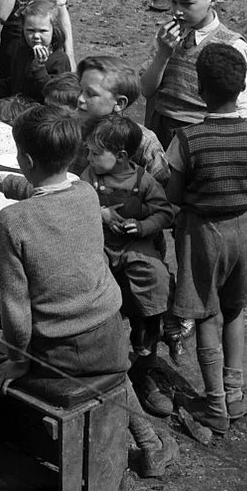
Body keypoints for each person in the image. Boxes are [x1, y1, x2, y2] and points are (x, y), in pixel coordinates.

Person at [0, 106, 179, 479]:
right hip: (111, 336)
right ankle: (151, 443)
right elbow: (39, 190)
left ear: (25, 158)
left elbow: (15, 307)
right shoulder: (85, 192)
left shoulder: (12, 221)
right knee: (110, 370)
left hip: (59, 354)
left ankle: (26, 442)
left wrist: (17, 359)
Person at [165, 44, 247, 433]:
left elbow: (172, 196)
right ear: (243, 87)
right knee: (234, 309)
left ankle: (214, 405)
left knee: (205, 312)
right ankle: (234, 393)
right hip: (242, 230)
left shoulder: (186, 139)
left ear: (199, 90)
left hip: (202, 233)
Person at [82, 116, 172, 363]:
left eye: (95, 153)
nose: (89, 158)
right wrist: (101, 213)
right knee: (89, 274)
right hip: (101, 242)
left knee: (156, 275)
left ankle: (150, 327)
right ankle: (99, 340)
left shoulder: (144, 181)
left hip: (134, 243)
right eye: (88, 152)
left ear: (121, 156)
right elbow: (80, 199)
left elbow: (164, 213)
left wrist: (143, 226)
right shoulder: (91, 176)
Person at [140, 0, 247, 152]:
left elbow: (240, 104)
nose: (177, 11)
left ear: (212, 0)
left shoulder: (231, 44)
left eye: (186, 4)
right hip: (162, 130)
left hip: (202, 135)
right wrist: (163, 54)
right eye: (173, 2)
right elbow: (146, 89)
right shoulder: (167, 36)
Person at [75, 55, 166, 180]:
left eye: (91, 94)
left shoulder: (143, 142)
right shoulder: (71, 131)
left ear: (119, 103)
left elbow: (162, 187)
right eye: (81, 90)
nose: (80, 99)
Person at [0, 0, 69, 103]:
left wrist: (39, 69)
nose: (36, 36)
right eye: (30, 30)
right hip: (18, 107)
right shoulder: (21, 51)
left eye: (42, 31)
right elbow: (16, 82)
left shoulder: (59, 60)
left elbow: (55, 95)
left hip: (42, 113)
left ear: (54, 31)